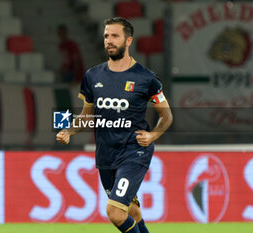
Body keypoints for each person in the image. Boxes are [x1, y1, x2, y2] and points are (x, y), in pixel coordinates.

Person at [56, 17, 173, 233]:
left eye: (115, 36)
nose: (109, 41)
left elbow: (167, 116)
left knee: (115, 212)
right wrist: (69, 130)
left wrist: (153, 136)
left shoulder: (146, 78)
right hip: (106, 154)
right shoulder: (92, 76)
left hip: (134, 151)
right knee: (132, 212)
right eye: (106, 36)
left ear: (128, 41)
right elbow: (86, 115)